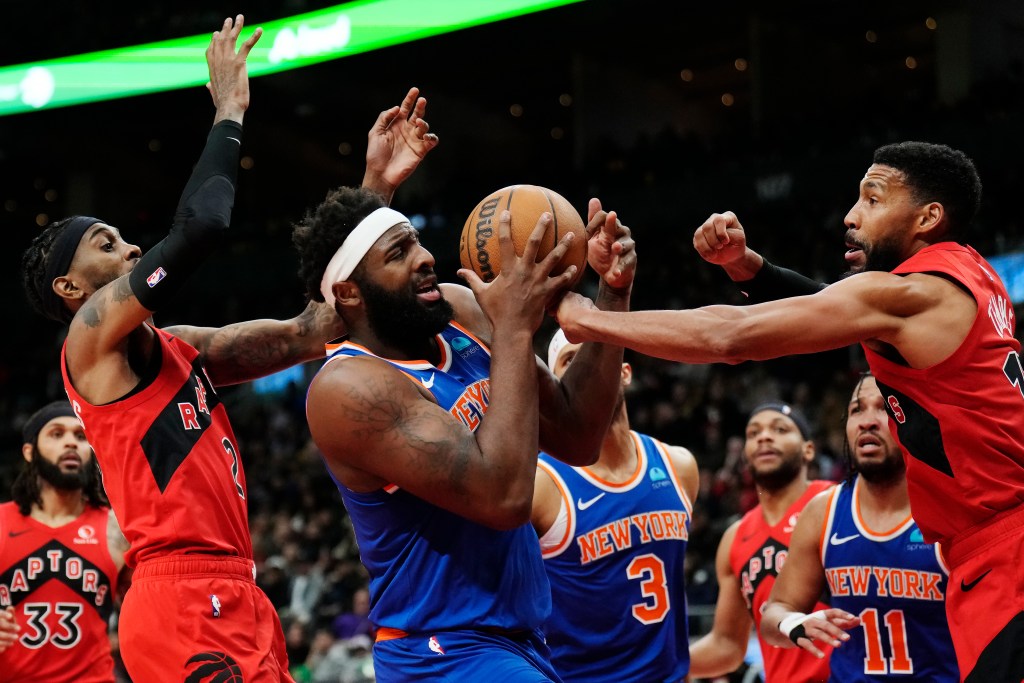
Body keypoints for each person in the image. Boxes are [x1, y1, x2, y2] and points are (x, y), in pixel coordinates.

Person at [19, 15, 439, 681]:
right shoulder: (88, 340)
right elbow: (203, 224)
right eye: (106, 243)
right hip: (182, 598)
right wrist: (230, 109)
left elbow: (315, 327)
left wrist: (375, 189)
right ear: (69, 285)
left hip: (238, 590)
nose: (129, 246)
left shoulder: (184, 349)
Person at [556, 141, 1024, 681]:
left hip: (1004, 558)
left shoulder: (915, 294)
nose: (850, 216)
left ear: (928, 217)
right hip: (991, 552)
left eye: (872, 199)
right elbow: (830, 306)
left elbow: (731, 337)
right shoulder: (970, 277)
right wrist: (748, 268)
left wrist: (585, 318)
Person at [294, 179, 636, 681]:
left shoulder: (462, 314)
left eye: (416, 241)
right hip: (440, 651)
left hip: (522, 639)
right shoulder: (347, 387)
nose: (425, 258)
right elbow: (503, 497)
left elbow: (580, 433)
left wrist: (613, 294)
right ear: (349, 294)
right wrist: (517, 329)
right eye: (398, 254)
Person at [760, 373, 959, 681]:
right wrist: (793, 623)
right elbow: (774, 614)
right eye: (857, 410)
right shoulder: (823, 511)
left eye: (884, 408)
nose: (867, 421)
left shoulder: (952, 509)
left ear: (915, 420)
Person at [532, 329, 700, 682]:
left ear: (623, 372)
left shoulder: (679, 466)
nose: (587, 366)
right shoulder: (540, 484)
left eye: (596, 353)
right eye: (569, 360)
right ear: (553, 387)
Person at [688, 403, 833, 682]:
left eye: (780, 429)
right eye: (753, 433)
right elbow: (727, 645)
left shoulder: (838, 503)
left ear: (808, 450)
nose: (764, 437)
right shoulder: (735, 536)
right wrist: (662, 663)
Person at [0, 400, 128, 682]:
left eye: (81, 436)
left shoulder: (116, 529)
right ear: (29, 452)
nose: (71, 443)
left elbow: (148, 615)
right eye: (57, 434)